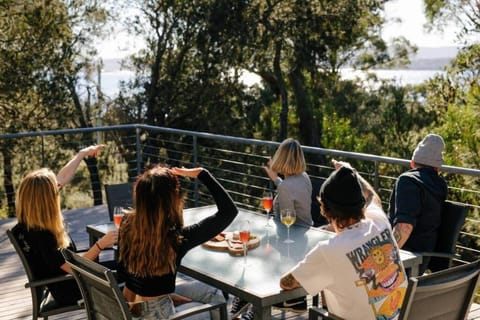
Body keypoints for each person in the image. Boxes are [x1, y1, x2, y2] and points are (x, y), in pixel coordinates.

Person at [279, 160, 408, 320]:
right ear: (360, 204)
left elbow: (287, 283)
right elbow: (373, 196)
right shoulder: (379, 221)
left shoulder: (329, 251)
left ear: (325, 210)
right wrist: (351, 171)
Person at [117, 166, 238, 320]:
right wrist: (202, 174)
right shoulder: (176, 238)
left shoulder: (127, 224)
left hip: (134, 306)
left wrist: (164, 294)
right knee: (212, 306)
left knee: (211, 291)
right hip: (160, 314)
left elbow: (123, 272)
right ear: (173, 198)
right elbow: (229, 211)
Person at [11, 145, 118, 306]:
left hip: (67, 281)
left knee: (128, 267)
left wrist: (81, 154)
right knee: (131, 271)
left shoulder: (27, 224)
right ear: (47, 200)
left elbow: (62, 177)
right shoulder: (44, 235)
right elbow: (75, 268)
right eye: (55, 190)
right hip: (72, 288)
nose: (58, 189)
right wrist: (100, 244)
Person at [388, 133, 448, 274]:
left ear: (412, 163)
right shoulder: (441, 185)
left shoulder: (407, 181)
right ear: (437, 168)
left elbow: (405, 227)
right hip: (424, 258)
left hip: (406, 261)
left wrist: (387, 261)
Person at [263, 138, 313, 226]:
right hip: (307, 228)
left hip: (293, 234)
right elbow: (292, 191)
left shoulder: (285, 186)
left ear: (280, 158)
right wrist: (276, 179)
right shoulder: (304, 176)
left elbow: (287, 221)